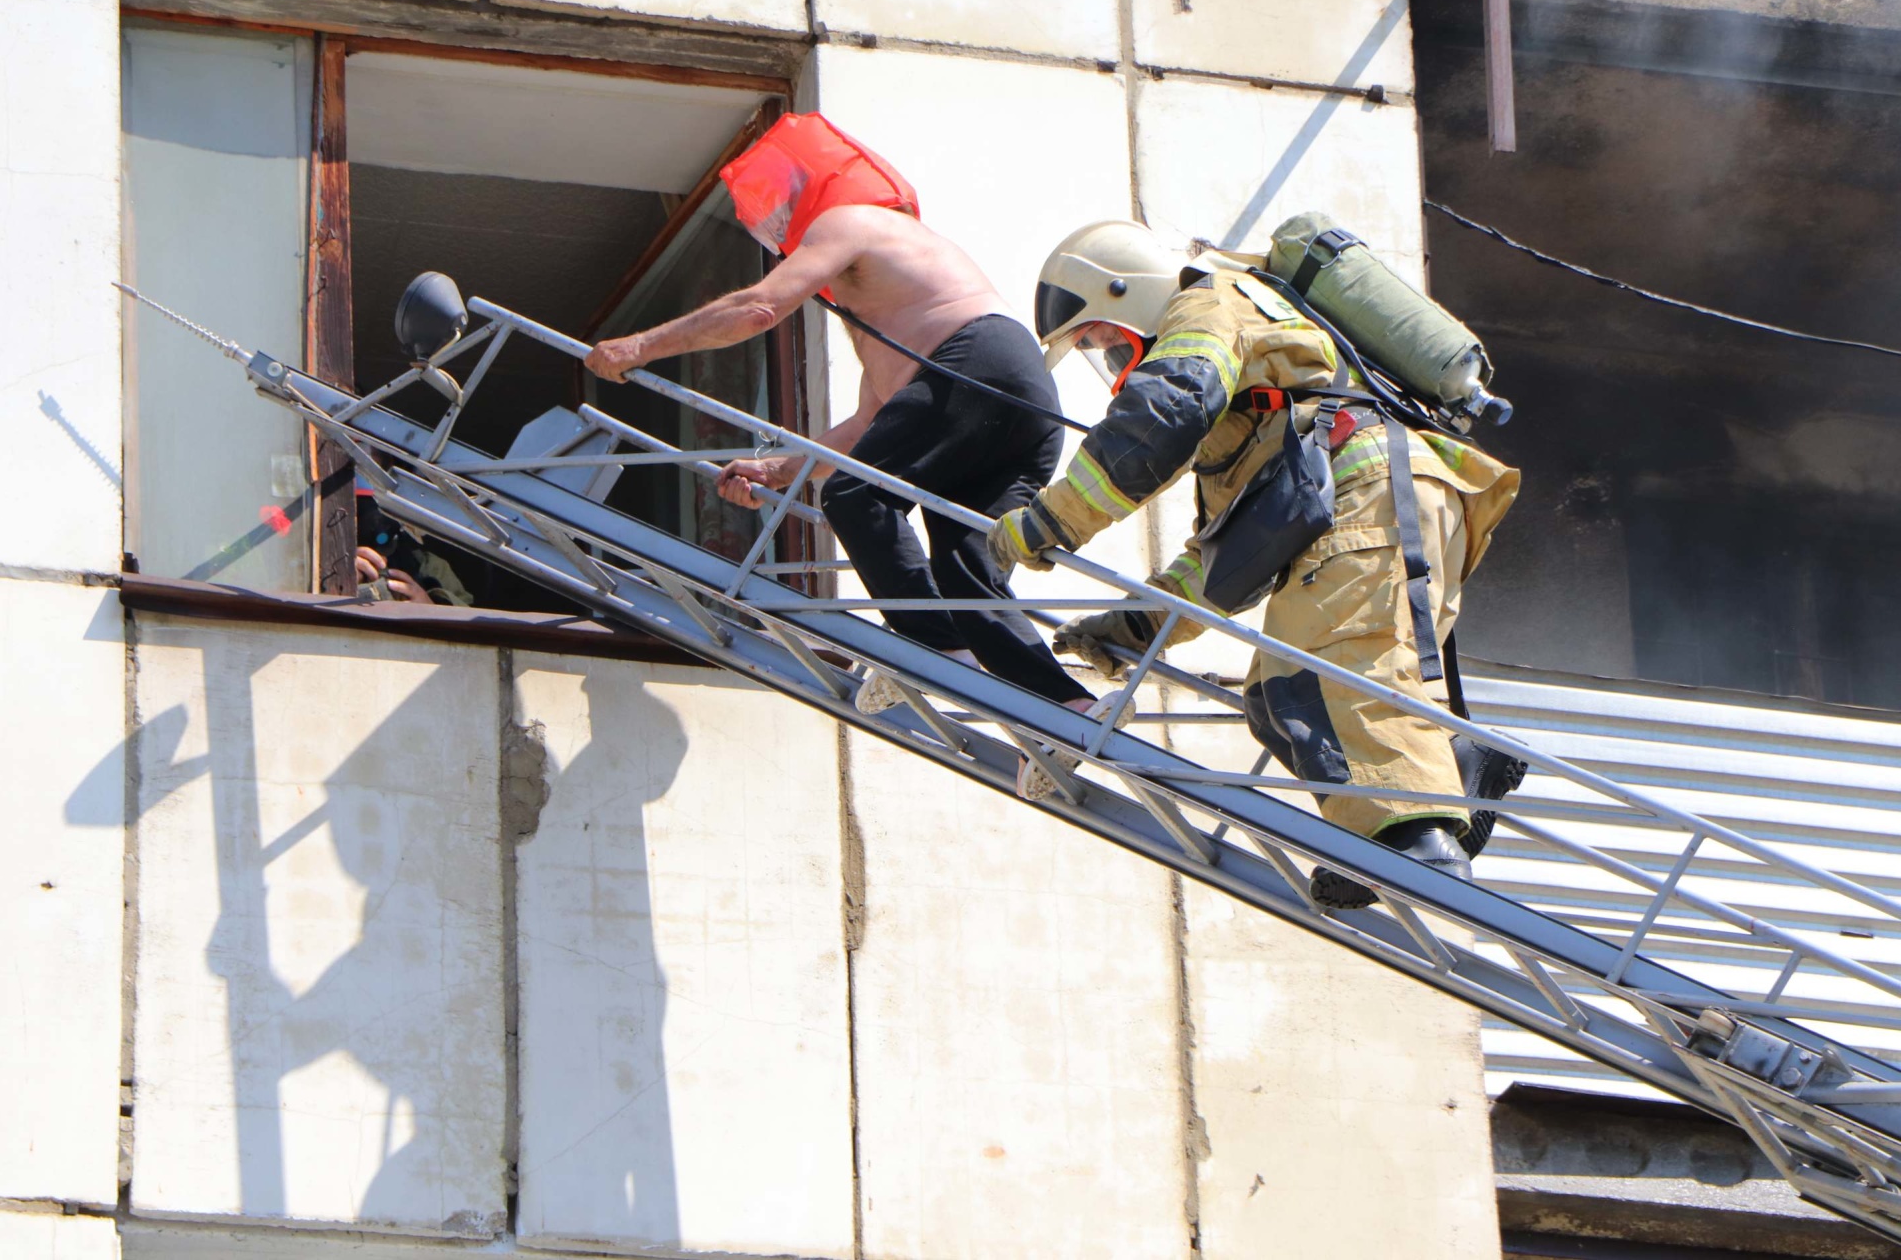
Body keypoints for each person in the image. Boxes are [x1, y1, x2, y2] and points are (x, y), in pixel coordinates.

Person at [989, 221, 1519, 897]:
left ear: (1132, 295)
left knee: (1326, 669)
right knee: (1273, 696)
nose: (1117, 367)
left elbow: (1161, 416)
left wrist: (1044, 523)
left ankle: (1415, 844)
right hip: (1383, 498)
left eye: (1109, 341)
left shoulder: (1206, 307)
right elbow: (1220, 559)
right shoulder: (1255, 409)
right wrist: (1131, 629)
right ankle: (1449, 779)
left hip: (1367, 494)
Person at [583, 114, 1127, 743]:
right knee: (962, 565)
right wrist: (779, 471)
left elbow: (760, 307)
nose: (780, 229)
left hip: (975, 365)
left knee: (852, 494)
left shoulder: (852, 220)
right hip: (1016, 397)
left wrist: (640, 347)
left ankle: (935, 653)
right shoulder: (893, 296)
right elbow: (873, 422)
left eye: (779, 208)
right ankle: (1067, 712)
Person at [355, 486, 472, 606]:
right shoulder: (338, 562)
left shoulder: (429, 566)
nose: (375, 521)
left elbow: (470, 617)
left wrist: (430, 607)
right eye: (359, 510)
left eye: (383, 509)